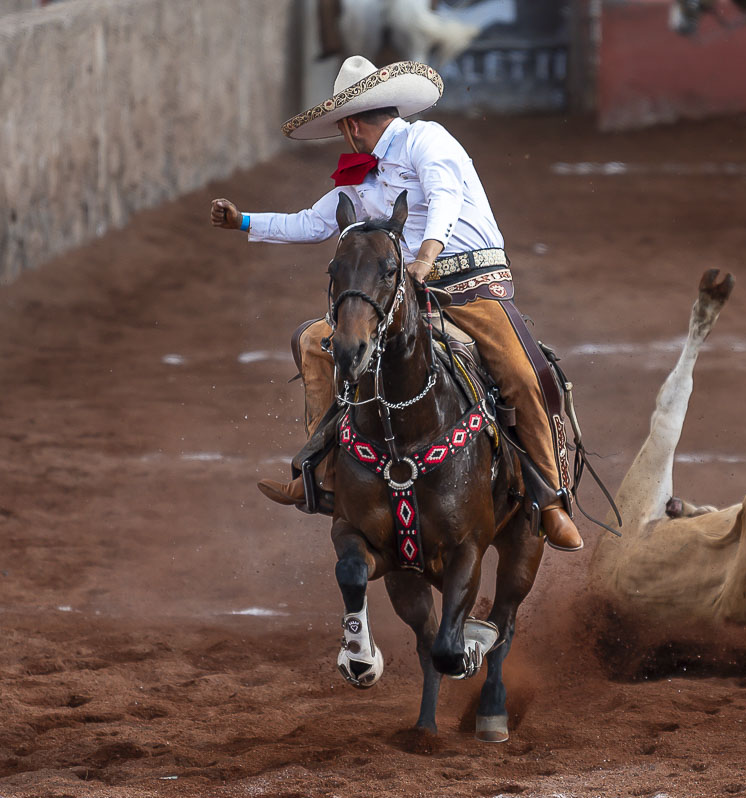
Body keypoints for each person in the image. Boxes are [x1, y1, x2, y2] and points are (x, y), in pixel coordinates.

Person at [209, 56, 583, 552]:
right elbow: (312, 222)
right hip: (404, 296)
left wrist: (426, 255)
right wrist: (244, 222)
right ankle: (321, 474)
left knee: (524, 373)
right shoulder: (360, 179)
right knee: (317, 344)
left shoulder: (427, 139)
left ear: (351, 125)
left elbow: (445, 196)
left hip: (473, 287)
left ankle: (551, 498)